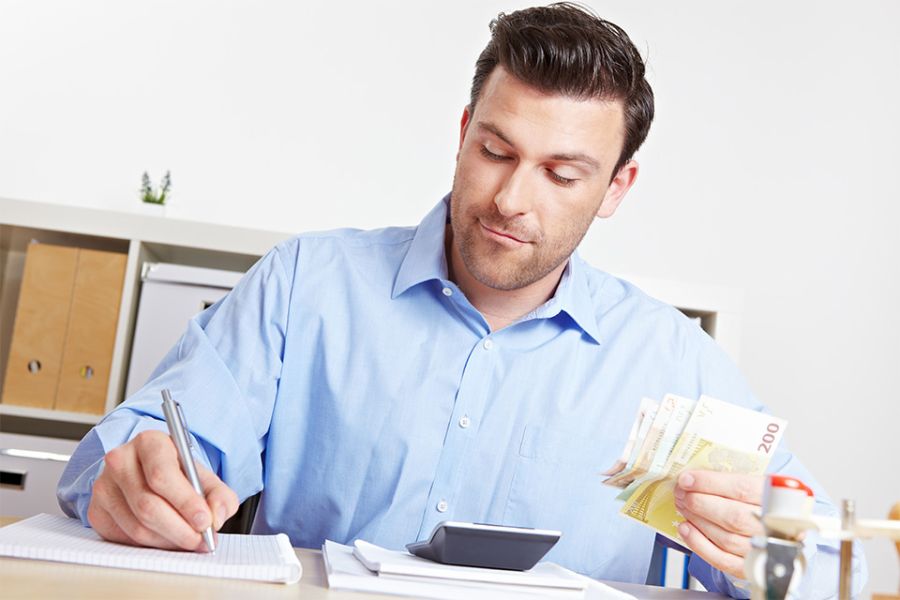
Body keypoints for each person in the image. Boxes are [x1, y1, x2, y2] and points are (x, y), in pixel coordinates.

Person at [58, 3, 864, 597]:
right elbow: (120, 454)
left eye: (561, 173)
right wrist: (129, 482)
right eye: (495, 150)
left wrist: (770, 554)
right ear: (462, 130)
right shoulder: (307, 285)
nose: (512, 198)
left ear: (617, 187)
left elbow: (831, 571)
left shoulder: (676, 362)